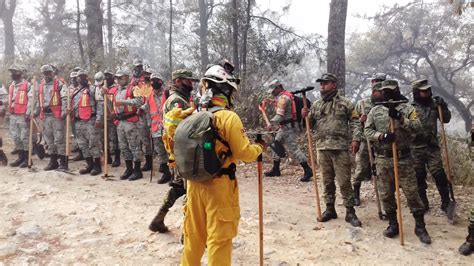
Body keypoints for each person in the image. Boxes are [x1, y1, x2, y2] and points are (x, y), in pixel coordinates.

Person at [180, 64, 264, 265]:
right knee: (219, 239)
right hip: (219, 186)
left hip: (194, 185)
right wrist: (259, 149)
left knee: (194, 237)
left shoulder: (193, 116)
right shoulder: (229, 117)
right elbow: (244, 153)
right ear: (226, 91)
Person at [364, 79, 431, 244]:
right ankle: (393, 224)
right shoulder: (376, 110)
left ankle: (420, 226)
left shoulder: (408, 108)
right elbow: (367, 131)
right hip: (383, 159)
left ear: (398, 90)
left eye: (391, 90)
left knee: (412, 194)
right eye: (385, 91)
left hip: (404, 158)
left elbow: (418, 128)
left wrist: (401, 119)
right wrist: (381, 136)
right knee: (386, 194)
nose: (388, 94)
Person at [302, 73, 362, 227]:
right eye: (321, 84)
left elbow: (355, 122)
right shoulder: (316, 105)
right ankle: (330, 209)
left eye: (325, 83)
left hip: (340, 148)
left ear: (334, 84)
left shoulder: (346, 103)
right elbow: (310, 125)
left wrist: (356, 139)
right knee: (327, 181)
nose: (322, 86)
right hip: (322, 148)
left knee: (344, 181)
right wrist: (305, 117)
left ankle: (350, 212)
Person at [148, 69, 198, 233]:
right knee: (189, 189)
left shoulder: (182, 99)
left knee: (178, 187)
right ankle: (188, 232)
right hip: (182, 152)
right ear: (177, 81)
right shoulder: (176, 101)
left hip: (181, 151)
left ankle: (158, 219)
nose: (191, 84)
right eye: (187, 81)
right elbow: (178, 129)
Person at [410, 79, 453, 213]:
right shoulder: (410, 108)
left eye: (428, 90)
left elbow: (446, 119)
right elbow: (404, 126)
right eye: (424, 91)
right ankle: (423, 202)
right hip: (416, 148)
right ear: (417, 92)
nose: (427, 93)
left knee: (439, 175)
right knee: (419, 176)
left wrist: (444, 106)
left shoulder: (435, 105)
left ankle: (446, 203)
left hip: (432, 147)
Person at [263, 80, 313, 182]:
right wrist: (271, 101)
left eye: (273, 90)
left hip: (290, 127)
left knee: (293, 148)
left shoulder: (283, 98)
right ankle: (276, 169)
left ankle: (307, 170)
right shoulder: (286, 96)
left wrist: (270, 124)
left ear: (278, 88)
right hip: (285, 126)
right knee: (276, 144)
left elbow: (280, 115)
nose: (272, 93)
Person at [352, 73, 386, 205]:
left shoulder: (388, 103)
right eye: (375, 81)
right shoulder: (362, 104)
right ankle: (356, 193)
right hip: (365, 140)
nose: (376, 83)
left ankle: (385, 196)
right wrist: (356, 136)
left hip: (382, 141)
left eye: (380, 81)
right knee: (360, 168)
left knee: (382, 170)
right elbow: (354, 123)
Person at [113, 68, 145, 181]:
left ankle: (137, 170)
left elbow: (140, 101)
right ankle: (128, 168)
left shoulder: (134, 88)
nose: (118, 80)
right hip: (120, 121)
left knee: (134, 146)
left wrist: (124, 102)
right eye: (117, 78)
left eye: (120, 78)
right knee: (123, 146)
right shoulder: (118, 90)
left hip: (131, 121)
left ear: (126, 77)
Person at [70, 70, 104, 175]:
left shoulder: (93, 89)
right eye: (79, 77)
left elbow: (100, 105)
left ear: (87, 77)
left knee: (94, 143)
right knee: (82, 144)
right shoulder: (75, 91)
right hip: (78, 121)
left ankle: (97, 165)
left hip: (91, 120)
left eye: (83, 76)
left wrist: (99, 119)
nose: (81, 79)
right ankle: (89, 164)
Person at [37, 64, 68, 171]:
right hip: (45, 116)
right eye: (44, 73)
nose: (47, 75)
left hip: (57, 115)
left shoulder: (59, 83)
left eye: (48, 73)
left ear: (52, 73)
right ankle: (53, 161)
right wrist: (35, 111)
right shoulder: (40, 85)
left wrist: (64, 111)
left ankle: (63, 162)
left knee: (59, 139)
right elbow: (38, 100)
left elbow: (64, 98)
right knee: (49, 140)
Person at [6, 64, 33, 168]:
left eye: (15, 72)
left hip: (23, 115)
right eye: (12, 72)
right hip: (13, 115)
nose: (13, 74)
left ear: (20, 73)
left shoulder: (27, 85)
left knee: (24, 137)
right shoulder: (11, 85)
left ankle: (27, 159)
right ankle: (20, 157)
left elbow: (31, 100)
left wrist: (28, 112)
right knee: (16, 137)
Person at [147, 72, 171, 184]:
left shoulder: (167, 93)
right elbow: (147, 110)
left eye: (156, 80)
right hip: (155, 128)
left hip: (167, 127)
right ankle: (166, 174)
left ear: (161, 82)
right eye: (152, 80)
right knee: (161, 152)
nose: (153, 82)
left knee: (171, 151)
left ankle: (176, 175)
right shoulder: (149, 95)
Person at [103, 69, 121, 167]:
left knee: (114, 139)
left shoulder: (116, 88)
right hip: (104, 117)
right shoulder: (102, 88)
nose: (106, 78)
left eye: (108, 76)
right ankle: (107, 157)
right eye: (105, 76)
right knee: (104, 139)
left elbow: (115, 102)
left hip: (113, 117)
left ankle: (117, 158)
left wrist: (113, 112)